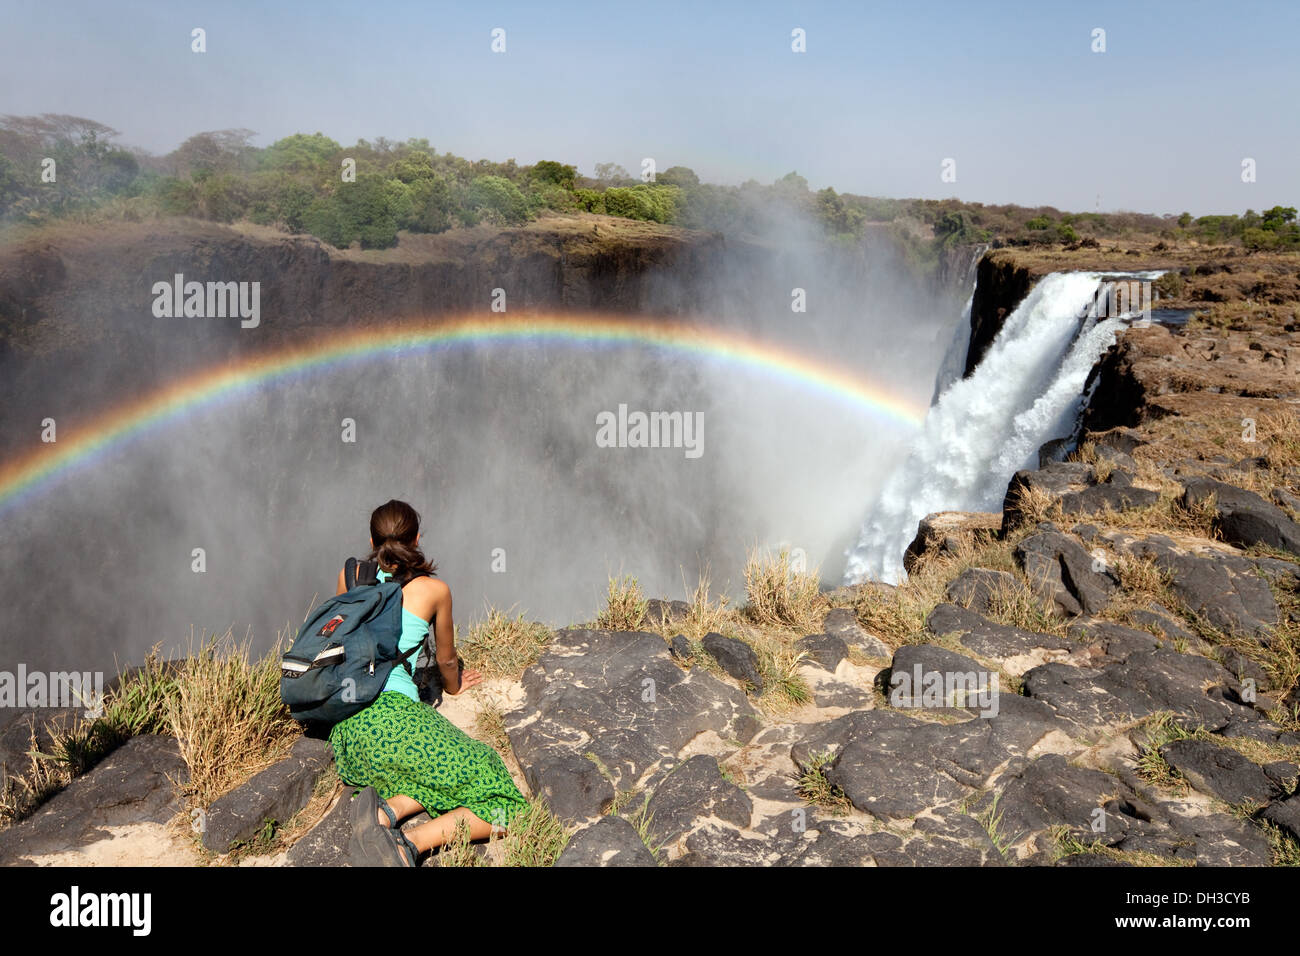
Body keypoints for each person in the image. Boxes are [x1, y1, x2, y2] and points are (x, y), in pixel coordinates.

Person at [328, 499, 528, 866]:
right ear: (417, 538)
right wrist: (453, 686)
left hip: (349, 730)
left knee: (429, 772)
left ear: (371, 541)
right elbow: (447, 658)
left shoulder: (349, 575)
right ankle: (407, 846)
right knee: (506, 803)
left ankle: (384, 812)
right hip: (395, 721)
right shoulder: (434, 591)